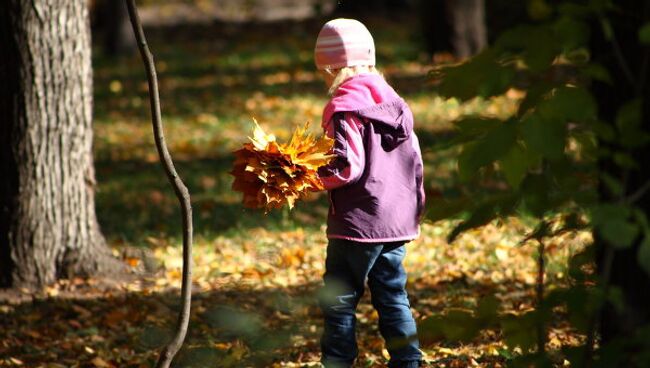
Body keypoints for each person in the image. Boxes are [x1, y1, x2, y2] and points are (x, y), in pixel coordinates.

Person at [314, 18, 425, 368]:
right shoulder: (395, 104)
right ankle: (409, 362)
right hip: (395, 221)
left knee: (339, 301)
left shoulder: (346, 108)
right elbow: (414, 162)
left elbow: (348, 167)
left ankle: (337, 362)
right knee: (393, 297)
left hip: (358, 224)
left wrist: (311, 177)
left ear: (331, 67)